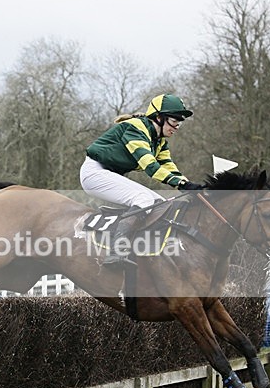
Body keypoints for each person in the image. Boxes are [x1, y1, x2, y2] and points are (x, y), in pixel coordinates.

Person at [80, 93, 201, 265]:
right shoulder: (136, 128)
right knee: (144, 199)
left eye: (179, 123)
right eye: (174, 121)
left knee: (159, 202)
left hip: (109, 174)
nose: (177, 127)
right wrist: (182, 184)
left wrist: (190, 185)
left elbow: (169, 167)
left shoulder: (159, 142)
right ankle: (116, 252)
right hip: (94, 173)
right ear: (159, 117)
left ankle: (145, 254)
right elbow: (150, 166)